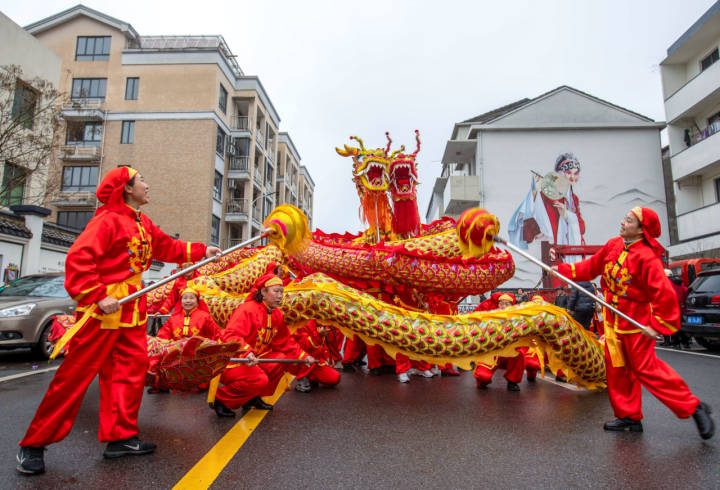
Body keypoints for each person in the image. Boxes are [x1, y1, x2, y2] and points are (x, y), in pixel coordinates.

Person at [16, 167, 220, 475]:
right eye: (142, 181)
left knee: (129, 376)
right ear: (126, 188)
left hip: (132, 313)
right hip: (103, 313)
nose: (148, 186)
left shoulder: (141, 222)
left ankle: (121, 438)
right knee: (73, 379)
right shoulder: (106, 221)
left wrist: (204, 250)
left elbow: (166, 246)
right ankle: (33, 444)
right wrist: (98, 295)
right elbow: (78, 261)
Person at [552, 207, 714, 439]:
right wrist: (563, 270)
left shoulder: (647, 258)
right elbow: (591, 267)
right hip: (612, 319)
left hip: (636, 322)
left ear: (641, 230)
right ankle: (628, 416)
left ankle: (693, 407)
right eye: (625, 218)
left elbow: (664, 294)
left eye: (628, 221)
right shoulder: (613, 245)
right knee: (617, 369)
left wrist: (657, 325)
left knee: (647, 370)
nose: (622, 223)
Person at [212, 273, 317, 417]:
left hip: (254, 359)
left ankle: (252, 397)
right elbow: (231, 335)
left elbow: (285, 341)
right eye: (276, 291)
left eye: (282, 292)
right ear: (263, 292)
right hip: (233, 360)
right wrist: (246, 352)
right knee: (259, 379)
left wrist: (303, 356)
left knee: (280, 359)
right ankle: (221, 400)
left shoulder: (276, 314)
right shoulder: (248, 309)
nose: (280, 296)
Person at [509, 153, 585, 254]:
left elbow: (582, 228)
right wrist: (534, 194)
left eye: (575, 173)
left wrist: (567, 216)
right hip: (553, 252)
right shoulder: (545, 196)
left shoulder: (574, 199)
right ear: (558, 174)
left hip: (573, 251)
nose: (572, 177)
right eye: (568, 172)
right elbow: (530, 228)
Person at [473, 293, 525, 391]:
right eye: (501, 304)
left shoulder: (518, 318)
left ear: (512, 306)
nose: (503, 306)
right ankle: (482, 379)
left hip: (508, 353)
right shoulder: (490, 317)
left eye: (507, 304)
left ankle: (512, 381)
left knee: (519, 354)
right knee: (482, 378)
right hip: (491, 353)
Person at [155, 288, 221, 342]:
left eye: (191, 298)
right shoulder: (173, 318)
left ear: (197, 301)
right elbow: (162, 336)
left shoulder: (205, 317)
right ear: (181, 301)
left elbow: (217, 334)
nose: (188, 301)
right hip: (177, 354)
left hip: (199, 354)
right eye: (185, 298)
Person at [292, 320, 341, 392]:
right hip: (301, 360)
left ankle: (312, 377)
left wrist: (327, 356)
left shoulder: (321, 321)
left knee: (335, 378)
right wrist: (319, 335)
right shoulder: (302, 322)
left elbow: (323, 344)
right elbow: (304, 346)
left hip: (316, 361)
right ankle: (302, 376)